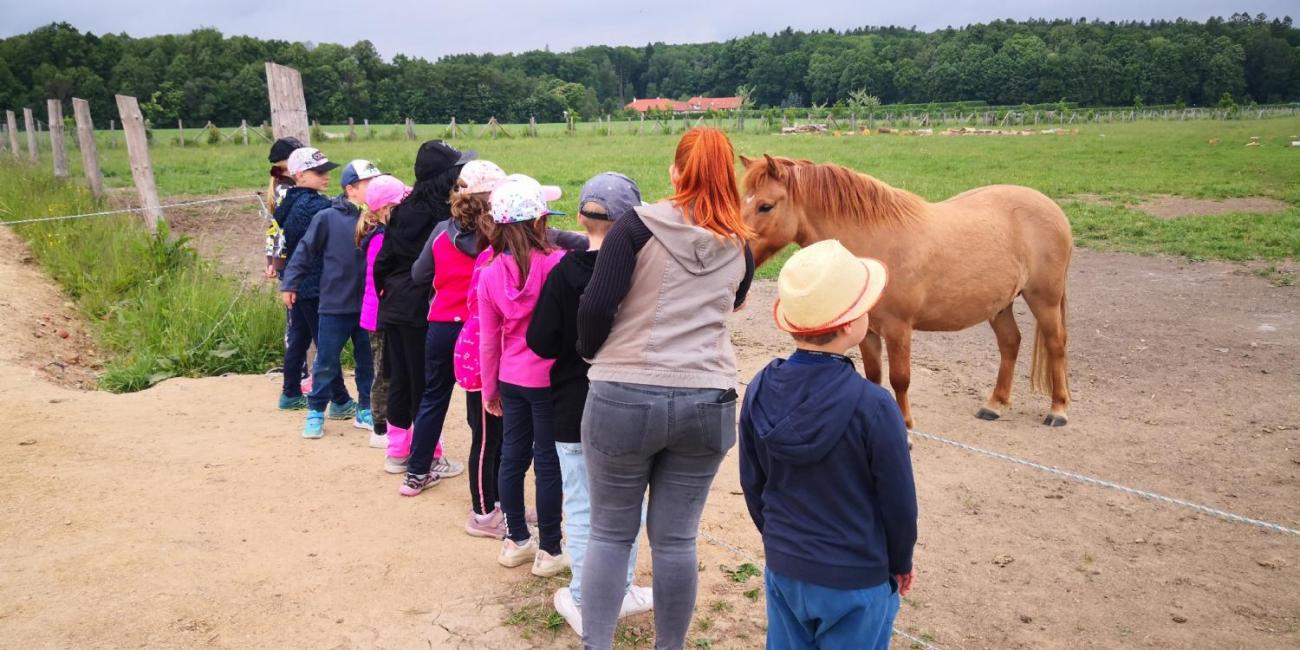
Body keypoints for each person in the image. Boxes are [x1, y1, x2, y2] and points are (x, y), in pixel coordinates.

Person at [575, 127, 756, 649]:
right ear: (729, 177)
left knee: (610, 534)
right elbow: (735, 302)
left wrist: (593, 353)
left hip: (624, 391)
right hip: (707, 394)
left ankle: (597, 644)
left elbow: (595, 304)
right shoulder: (740, 244)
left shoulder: (636, 226)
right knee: (677, 540)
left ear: (676, 172)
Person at [739, 240, 918, 650]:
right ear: (854, 323)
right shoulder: (875, 406)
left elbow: (753, 483)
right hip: (856, 576)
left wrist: (781, 541)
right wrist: (900, 561)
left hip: (786, 567)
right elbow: (898, 500)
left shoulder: (759, 387)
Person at [526, 172, 654, 635]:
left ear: (580, 217)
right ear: (631, 223)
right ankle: (618, 590)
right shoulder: (644, 270)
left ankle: (583, 594)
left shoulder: (565, 271)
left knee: (580, 506)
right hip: (630, 404)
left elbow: (540, 342)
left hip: (572, 405)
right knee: (628, 504)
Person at [478, 175, 569, 576]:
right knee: (549, 462)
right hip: (551, 379)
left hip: (511, 378)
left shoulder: (489, 273)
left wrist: (489, 386)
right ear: (538, 223)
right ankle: (550, 548)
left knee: (512, 457)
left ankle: (516, 540)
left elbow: (488, 339)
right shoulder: (558, 264)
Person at [372, 141, 473, 474]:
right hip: (419, 307)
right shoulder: (441, 217)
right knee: (426, 384)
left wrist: (384, 297)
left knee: (400, 376)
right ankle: (429, 454)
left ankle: (398, 450)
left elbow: (382, 262)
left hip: (393, 305)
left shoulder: (403, 209)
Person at [280, 160, 383, 438]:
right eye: (369, 185)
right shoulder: (327, 217)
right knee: (325, 360)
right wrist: (290, 283)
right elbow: (304, 250)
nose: (375, 189)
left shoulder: (378, 219)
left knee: (366, 362)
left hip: (367, 307)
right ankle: (316, 410)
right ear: (351, 189)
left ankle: (364, 407)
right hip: (334, 306)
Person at [275, 147, 355, 416]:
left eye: (327, 171)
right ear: (299, 175)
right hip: (313, 283)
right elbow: (339, 213)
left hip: (297, 281)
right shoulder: (314, 206)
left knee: (299, 335)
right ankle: (340, 400)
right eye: (318, 172)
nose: (326, 176)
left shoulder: (290, 201)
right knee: (326, 344)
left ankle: (290, 392)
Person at [359, 174, 408, 451]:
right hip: (379, 316)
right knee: (383, 372)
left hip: (379, 313)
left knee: (386, 369)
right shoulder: (380, 238)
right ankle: (379, 426)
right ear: (386, 209)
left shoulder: (377, 233)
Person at [264, 136, 302, 279]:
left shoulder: (284, 188)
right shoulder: (287, 192)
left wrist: (271, 260)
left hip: (287, 258)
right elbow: (278, 229)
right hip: (292, 258)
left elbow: (272, 228)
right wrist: (273, 261)